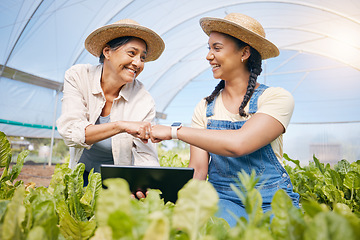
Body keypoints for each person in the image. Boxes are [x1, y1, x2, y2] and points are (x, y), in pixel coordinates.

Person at [149, 13, 299, 227]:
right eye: (208, 48)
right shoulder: (205, 107)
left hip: (273, 200)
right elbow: (199, 171)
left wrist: (174, 131)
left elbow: (240, 143)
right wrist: (169, 202)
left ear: (244, 52)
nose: (209, 56)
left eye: (216, 48)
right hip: (223, 200)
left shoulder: (276, 98)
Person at [56, 19, 165, 187]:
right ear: (107, 51)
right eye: (132, 53)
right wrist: (121, 126)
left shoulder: (143, 100)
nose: (138, 63)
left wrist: (146, 184)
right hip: (80, 174)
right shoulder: (78, 76)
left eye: (142, 58)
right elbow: (71, 131)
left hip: (119, 181)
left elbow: (146, 154)